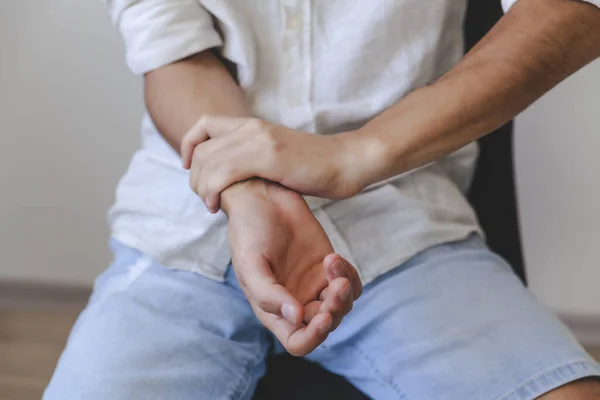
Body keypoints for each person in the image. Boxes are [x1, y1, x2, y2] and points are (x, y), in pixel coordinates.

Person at [45, 0, 600, 399]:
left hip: (402, 220)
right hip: (187, 229)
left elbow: (571, 9)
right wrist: (247, 188)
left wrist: (354, 156)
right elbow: (174, 52)